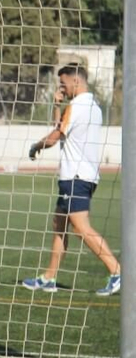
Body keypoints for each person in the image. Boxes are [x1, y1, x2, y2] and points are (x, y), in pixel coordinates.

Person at [20, 64, 120, 296]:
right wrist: (57, 106)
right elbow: (63, 128)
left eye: (63, 83)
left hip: (76, 176)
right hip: (82, 175)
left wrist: (36, 146)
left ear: (76, 81)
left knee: (80, 227)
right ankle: (49, 278)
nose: (62, 88)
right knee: (59, 223)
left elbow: (55, 137)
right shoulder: (93, 106)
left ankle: (117, 271)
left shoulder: (76, 107)